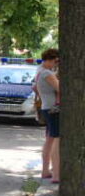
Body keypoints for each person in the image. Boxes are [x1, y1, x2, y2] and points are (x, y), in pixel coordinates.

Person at [35, 49, 60, 183]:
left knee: (50, 139)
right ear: (50, 59)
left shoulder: (39, 70)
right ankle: (56, 174)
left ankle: (46, 171)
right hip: (53, 109)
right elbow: (61, 88)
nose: (56, 64)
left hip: (46, 107)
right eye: (56, 61)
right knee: (57, 139)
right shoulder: (46, 73)